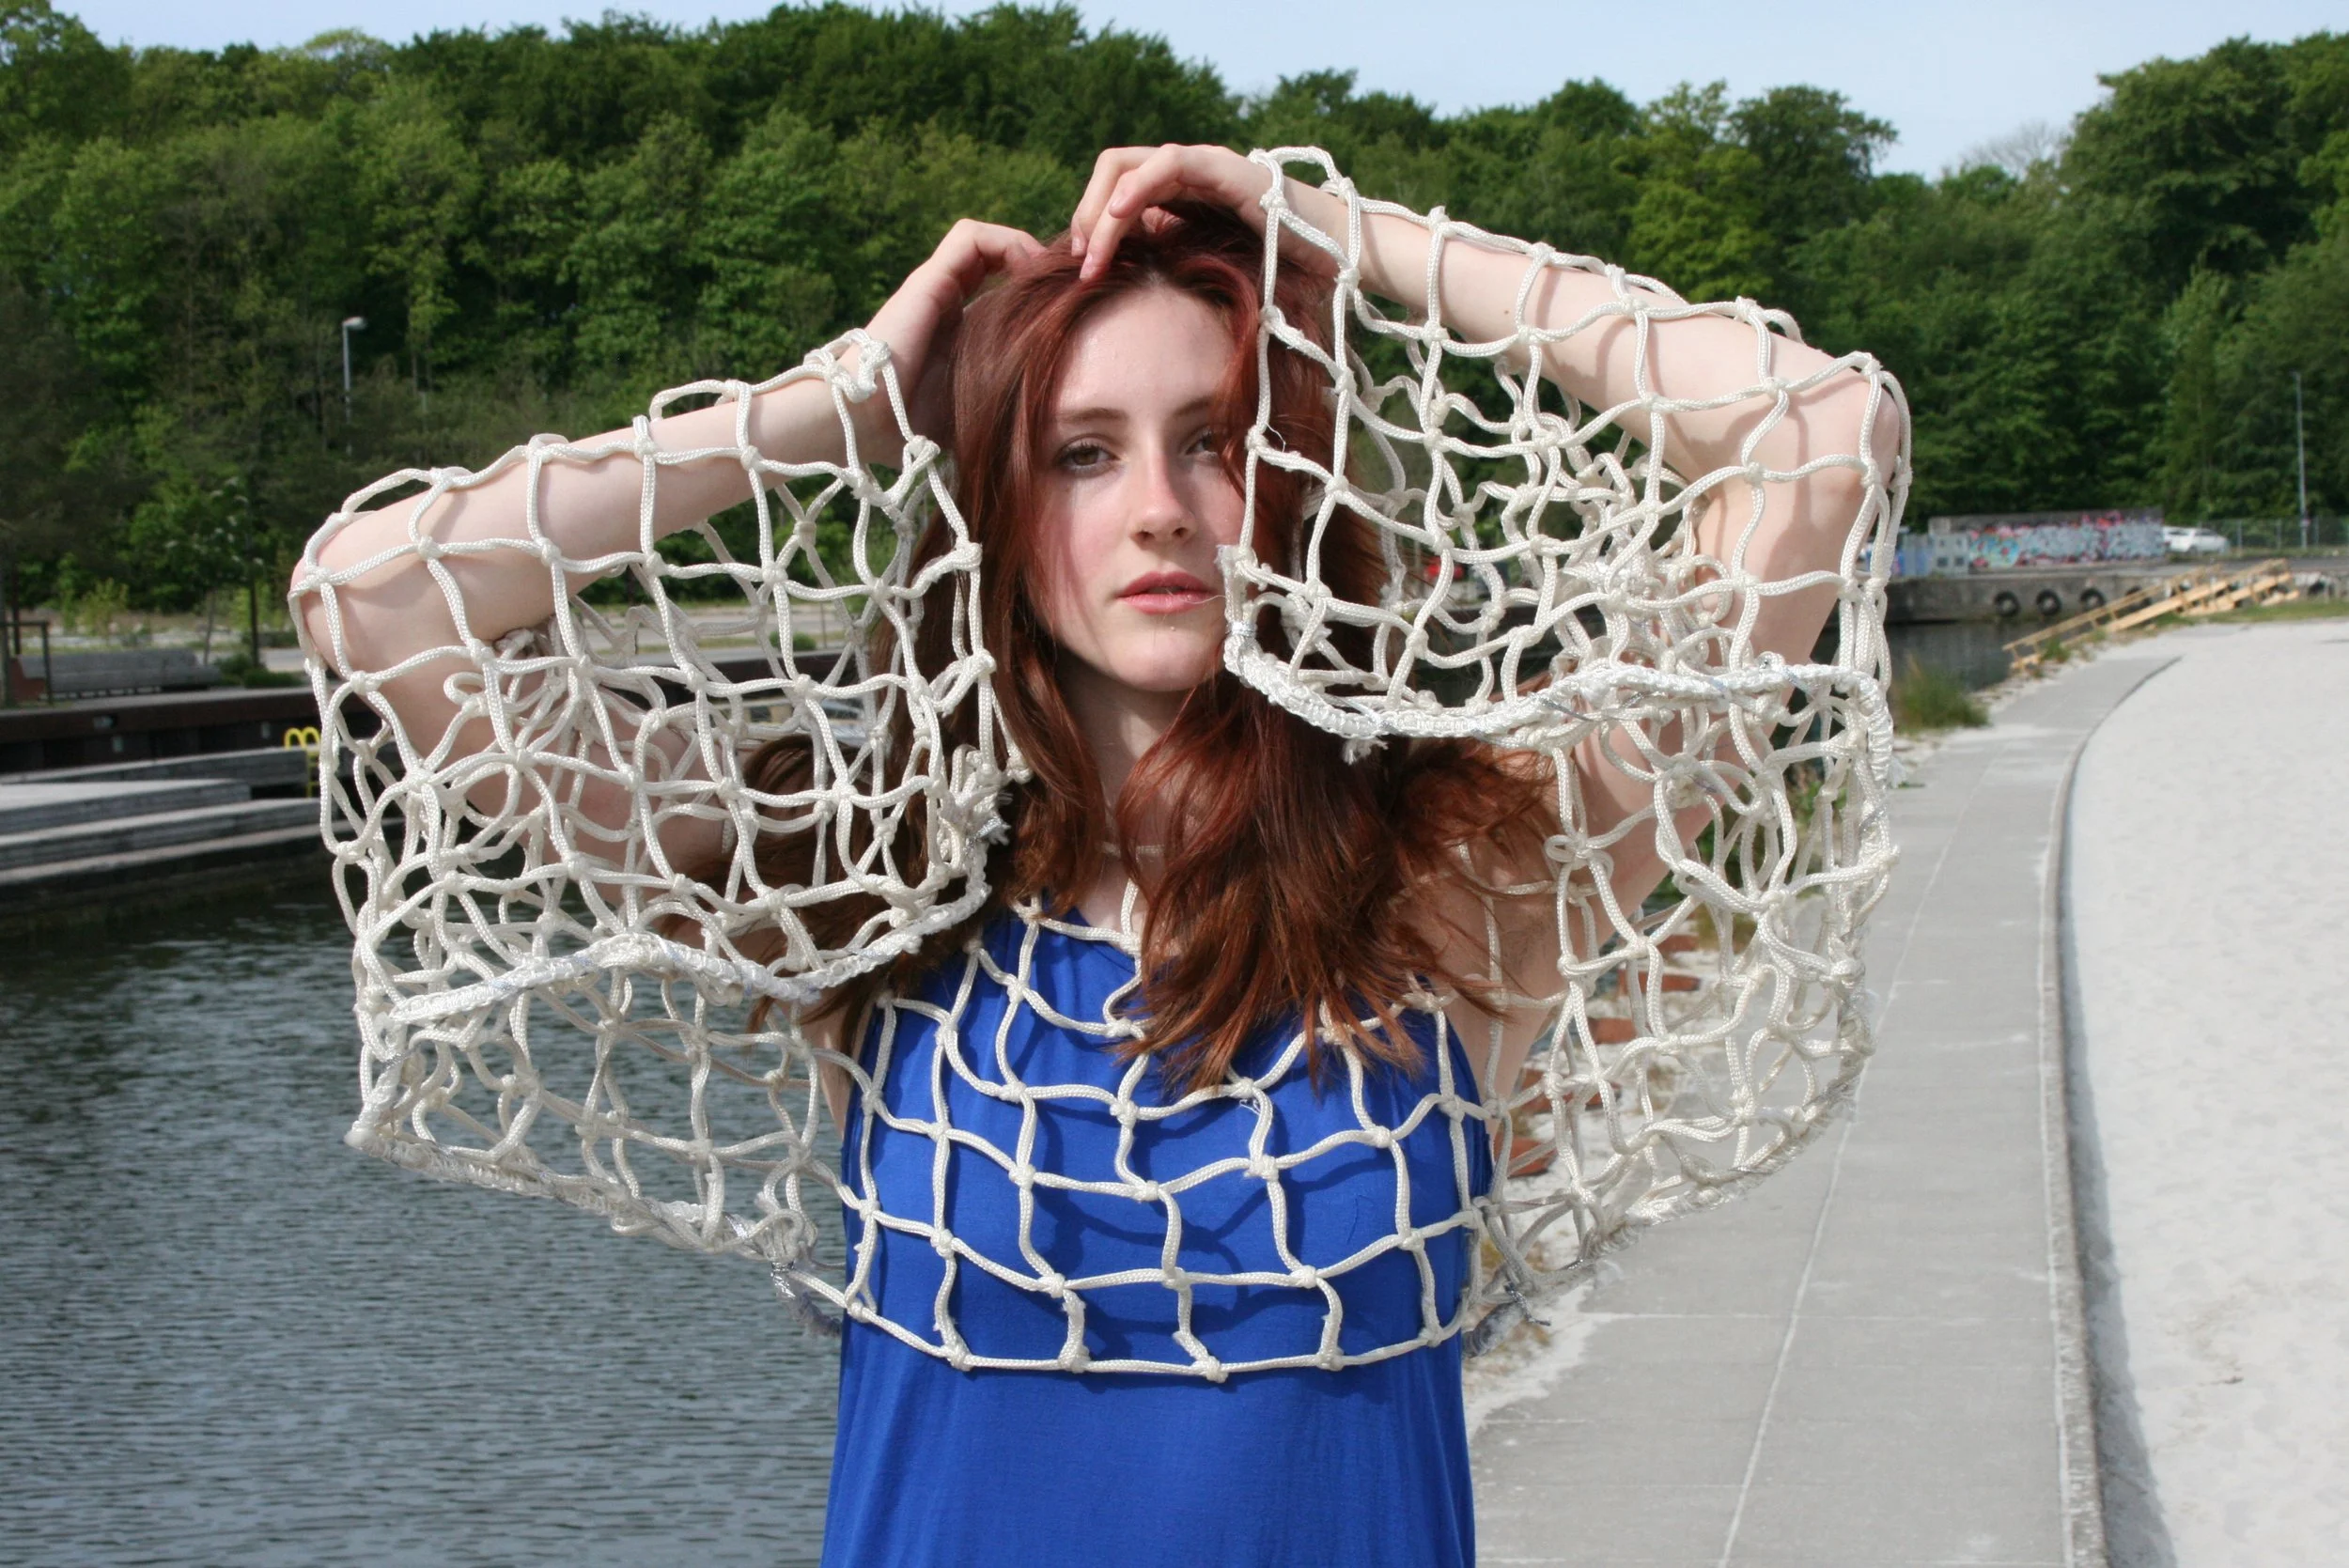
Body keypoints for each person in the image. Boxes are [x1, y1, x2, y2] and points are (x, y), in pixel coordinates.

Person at [297, 143, 1900, 1568]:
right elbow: (371, 601)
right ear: (999, 502)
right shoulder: (859, 884)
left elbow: (1818, 434)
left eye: (1211, 441)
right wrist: (847, 397)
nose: (1161, 512)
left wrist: (1314, 212)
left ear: (1286, 488)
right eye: (1081, 453)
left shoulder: (1457, 879)